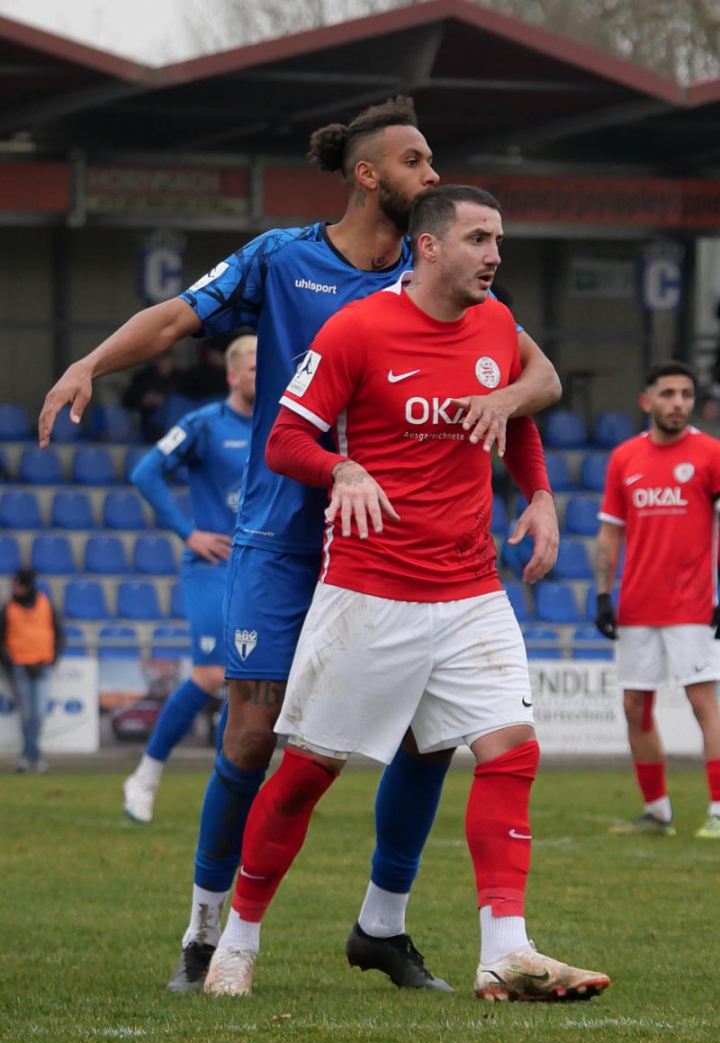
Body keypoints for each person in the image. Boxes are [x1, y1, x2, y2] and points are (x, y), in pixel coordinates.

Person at [38, 96, 561, 995]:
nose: (432, 174)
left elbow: (517, 380)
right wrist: (91, 362)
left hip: (400, 544)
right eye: (415, 161)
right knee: (252, 736)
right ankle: (206, 935)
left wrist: (539, 489)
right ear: (368, 174)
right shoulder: (282, 259)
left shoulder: (448, 278)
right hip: (287, 531)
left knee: (431, 741)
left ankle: (382, 927)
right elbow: (176, 317)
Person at [202, 185, 609, 1001]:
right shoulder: (356, 329)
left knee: (511, 750)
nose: (495, 254)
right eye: (479, 238)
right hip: (369, 591)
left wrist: (539, 495)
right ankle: (236, 943)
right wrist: (342, 468)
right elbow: (285, 439)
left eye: (499, 239)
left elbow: (517, 417)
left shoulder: (495, 324)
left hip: (470, 587)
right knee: (308, 773)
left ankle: (507, 951)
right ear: (428, 247)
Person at [122, 333, 256, 823]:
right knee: (210, 674)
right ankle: (145, 776)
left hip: (260, 570)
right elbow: (145, 472)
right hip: (212, 566)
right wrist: (187, 532)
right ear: (232, 375)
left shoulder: (281, 424)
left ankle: (230, 796)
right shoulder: (205, 423)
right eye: (254, 368)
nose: (263, 376)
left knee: (248, 684)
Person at [595, 361, 720, 839]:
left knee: (703, 702)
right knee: (634, 706)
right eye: (668, 394)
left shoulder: (711, 454)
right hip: (637, 605)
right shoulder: (625, 457)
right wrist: (603, 594)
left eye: (686, 394)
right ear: (647, 401)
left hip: (693, 604)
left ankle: (719, 810)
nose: (679, 403)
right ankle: (657, 813)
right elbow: (611, 532)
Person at [0, 569, 64, 774]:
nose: (14, 588)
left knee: (38, 712)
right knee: (27, 713)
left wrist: (52, 659)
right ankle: (33, 755)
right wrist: (9, 662)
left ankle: (28, 755)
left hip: (42, 665)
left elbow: (59, 632)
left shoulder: (45, 604)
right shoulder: (8, 607)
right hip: (19, 667)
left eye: (18, 584)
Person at [122, 351, 180, 442]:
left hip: (175, 423)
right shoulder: (144, 378)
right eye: (161, 360)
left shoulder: (180, 378)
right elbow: (128, 400)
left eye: (168, 361)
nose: (164, 365)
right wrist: (146, 400)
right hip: (149, 423)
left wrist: (166, 402)